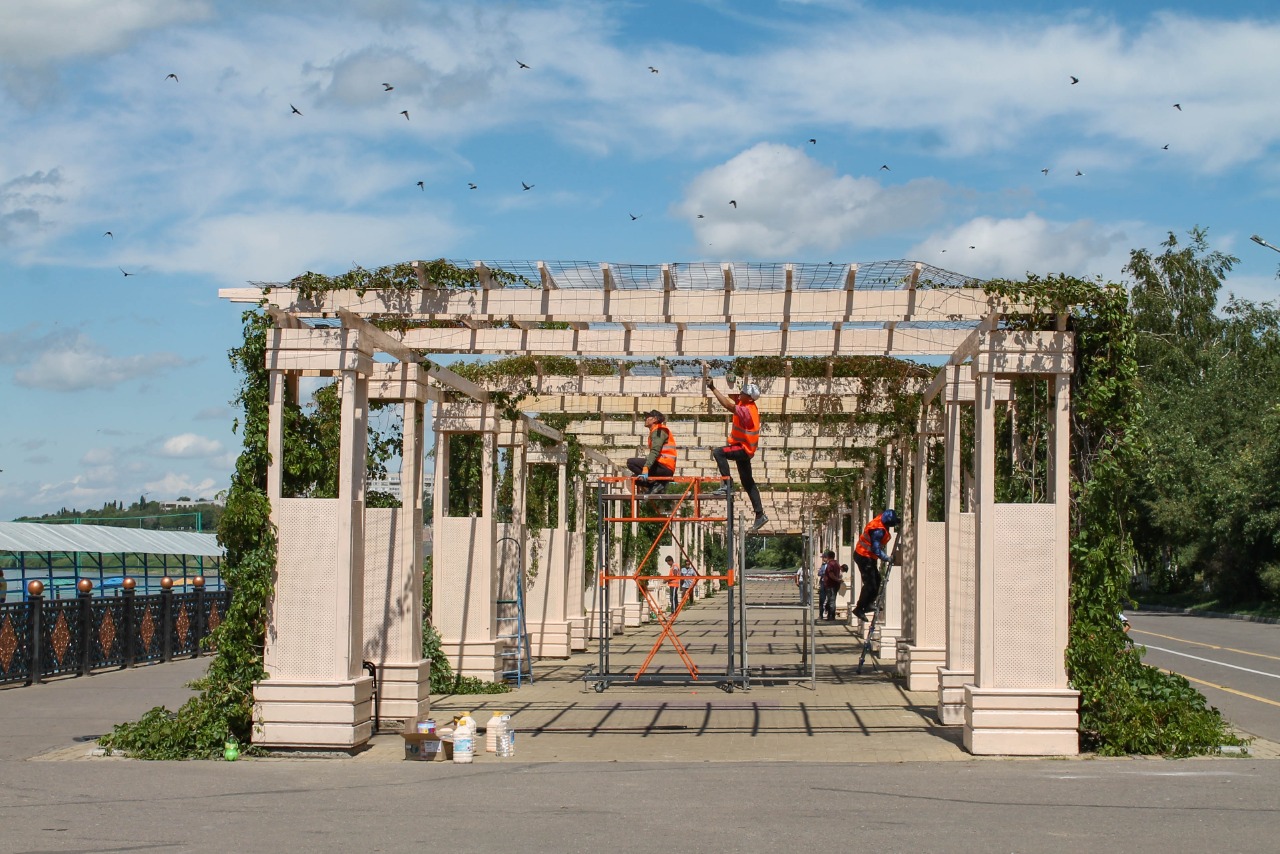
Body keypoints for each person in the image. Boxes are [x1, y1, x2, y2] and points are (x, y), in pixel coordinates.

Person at [706, 378, 768, 532]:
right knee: (748, 482)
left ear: (750, 398)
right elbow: (733, 395)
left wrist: (712, 387)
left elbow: (727, 405)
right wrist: (731, 378)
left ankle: (727, 485)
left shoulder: (747, 411)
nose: (740, 393)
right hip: (745, 449)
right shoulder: (745, 402)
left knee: (718, 452)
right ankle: (760, 514)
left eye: (744, 393)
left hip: (743, 449)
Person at [851, 508, 900, 622]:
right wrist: (886, 558)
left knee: (877, 580)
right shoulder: (877, 530)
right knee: (870, 583)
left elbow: (889, 517)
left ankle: (868, 604)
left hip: (867, 556)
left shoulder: (881, 519)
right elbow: (875, 549)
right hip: (863, 556)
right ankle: (859, 608)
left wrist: (898, 520)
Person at [627, 409, 676, 496]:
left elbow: (655, 451)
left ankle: (657, 485)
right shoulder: (656, 431)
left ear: (655, 419)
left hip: (664, 467)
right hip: (663, 467)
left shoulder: (659, 431)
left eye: (647, 417)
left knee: (631, 462)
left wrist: (646, 468)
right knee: (634, 478)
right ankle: (657, 485)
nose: (645, 419)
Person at [818, 549, 843, 621]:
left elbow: (831, 574)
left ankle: (831, 616)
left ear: (828, 557)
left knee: (831, 600)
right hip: (834, 585)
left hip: (830, 585)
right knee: (832, 600)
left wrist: (836, 579)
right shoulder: (836, 563)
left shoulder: (830, 564)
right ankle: (830, 615)